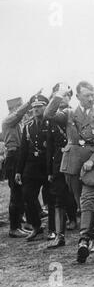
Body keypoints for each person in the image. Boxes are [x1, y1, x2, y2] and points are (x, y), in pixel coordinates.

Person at [44, 81, 94, 263]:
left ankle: (83, 240)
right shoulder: (69, 114)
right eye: (86, 95)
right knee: (82, 204)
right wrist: (58, 94)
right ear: (77, 97)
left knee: (87, 201)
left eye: (93, 94)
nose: (91, 98)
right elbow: (48, 113)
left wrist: (93, 160)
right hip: (74, 165)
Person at [15, 94, 55, 241]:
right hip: (31, 167)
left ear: (46, 107)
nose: (36, 109)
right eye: (34, 107)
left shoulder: (51, 123)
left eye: (39, 106)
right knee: (28, 196)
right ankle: (36, 226)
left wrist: (52, 169)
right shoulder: (27, 127)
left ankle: (53, 229)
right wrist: (19, 171)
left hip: (47, 165)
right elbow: (23, 151)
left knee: (50, 198)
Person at [46, 84, 78, 248]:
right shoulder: (53, 118)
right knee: (59, 199)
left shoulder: (76, 113)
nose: (64, 97)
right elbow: (50, 146)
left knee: (80, 197)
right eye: (60, 95)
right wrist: (50, 169)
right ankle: (60, 236)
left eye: (66, 95)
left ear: (71, 97)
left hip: (76, 159)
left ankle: (86, 234)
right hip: (59, 161)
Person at [2, 97, 34, 238]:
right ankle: (14, 228)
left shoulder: (17, 123)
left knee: (19, 193)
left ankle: (18, 225)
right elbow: (19, 114)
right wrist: (28, 103)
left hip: (18, 156)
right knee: (16, 193)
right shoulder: (9, 120)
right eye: (19, 106)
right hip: (13, 157)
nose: (22, 109)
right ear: (13, 108)